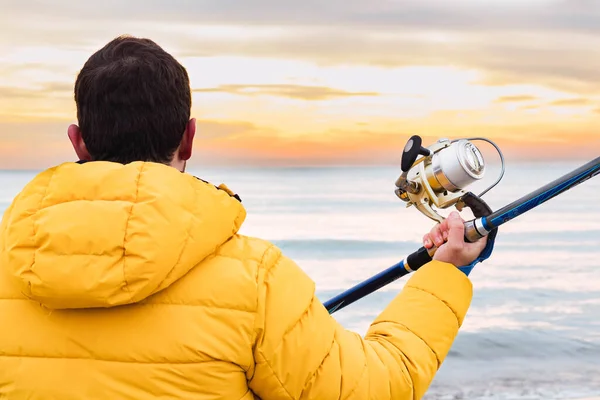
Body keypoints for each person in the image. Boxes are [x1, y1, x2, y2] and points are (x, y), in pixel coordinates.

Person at [0, 35, 491, 399]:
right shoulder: (256, 282)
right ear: (188, 139)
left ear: (77, 141)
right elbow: (381, 386)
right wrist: (448, 271)